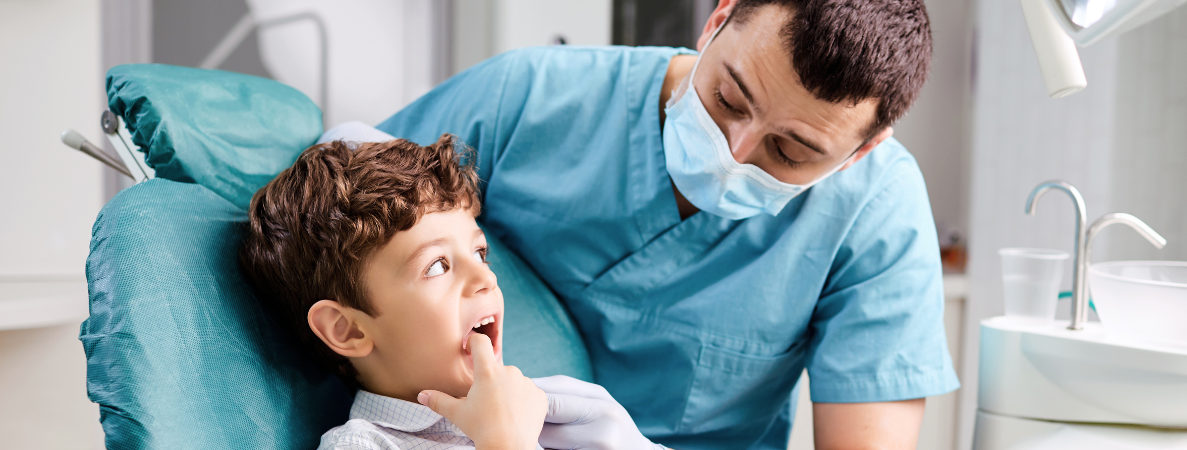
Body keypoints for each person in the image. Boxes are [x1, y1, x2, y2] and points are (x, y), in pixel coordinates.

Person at [379, 0, 959, 448]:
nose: (733, 152)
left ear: (861, 152)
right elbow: (344, 213)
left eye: (790, 151)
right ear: (718, 22)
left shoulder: (875, 210)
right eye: (728, 99)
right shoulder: (529, 96)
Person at [239, 136, 548, 450]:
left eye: (480, 253)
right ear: (348, 330)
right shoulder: (359, 445)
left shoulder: (532, 410)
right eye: (438, 266)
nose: (485, 277)